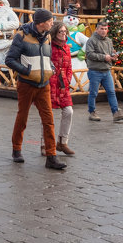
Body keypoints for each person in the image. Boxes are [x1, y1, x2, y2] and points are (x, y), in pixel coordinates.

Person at [4, 8, 65, 170]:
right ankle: (16, 149)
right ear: (41, 23)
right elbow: (9, 60)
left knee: (49, 120)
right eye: (50, 20)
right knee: (22, 118)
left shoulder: (47, 37)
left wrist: (50, 68)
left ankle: (51, 156)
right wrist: (27, 71)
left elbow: (48, 57)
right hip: (26, 84)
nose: (52, 23)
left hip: (43, 85)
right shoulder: (21, 36)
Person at [84, 19, 123, 122]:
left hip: (106, 70)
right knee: (93, 93)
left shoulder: (108, 41)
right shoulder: (91, 40)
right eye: (101, 29)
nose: (104, 31)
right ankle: (92, 112)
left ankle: (116, 112)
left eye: (105, 29)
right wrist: (104, 57)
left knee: (111, 92)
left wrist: (113, 55)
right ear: (96, 29)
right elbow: (89, 54)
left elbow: (110, 52)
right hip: (95, 70)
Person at [48, 21, 76, 156]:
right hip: (51, 84)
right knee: (48, 115)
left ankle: (62, 142)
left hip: (63, 85)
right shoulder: (48, 47)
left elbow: (69, 66)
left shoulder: (67, 48)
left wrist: (68, 79)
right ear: (55, 33)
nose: (64, 34)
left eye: (65, 31)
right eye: (61, 32)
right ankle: (45, 144)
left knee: (68, 111)